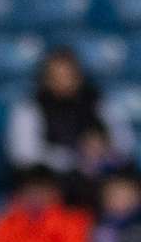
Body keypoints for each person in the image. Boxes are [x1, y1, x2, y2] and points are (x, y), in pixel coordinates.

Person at [7, 47, 134, 185]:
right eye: (56, 76)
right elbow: (24, 155)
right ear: (45, 79)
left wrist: (103, 149)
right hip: (53, 181)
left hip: (99, 177)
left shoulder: (97, 102)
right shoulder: (30, 107)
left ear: (79, 76)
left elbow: (125, 142)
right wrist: (73, 158)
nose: (64, 82)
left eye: (69, 75)